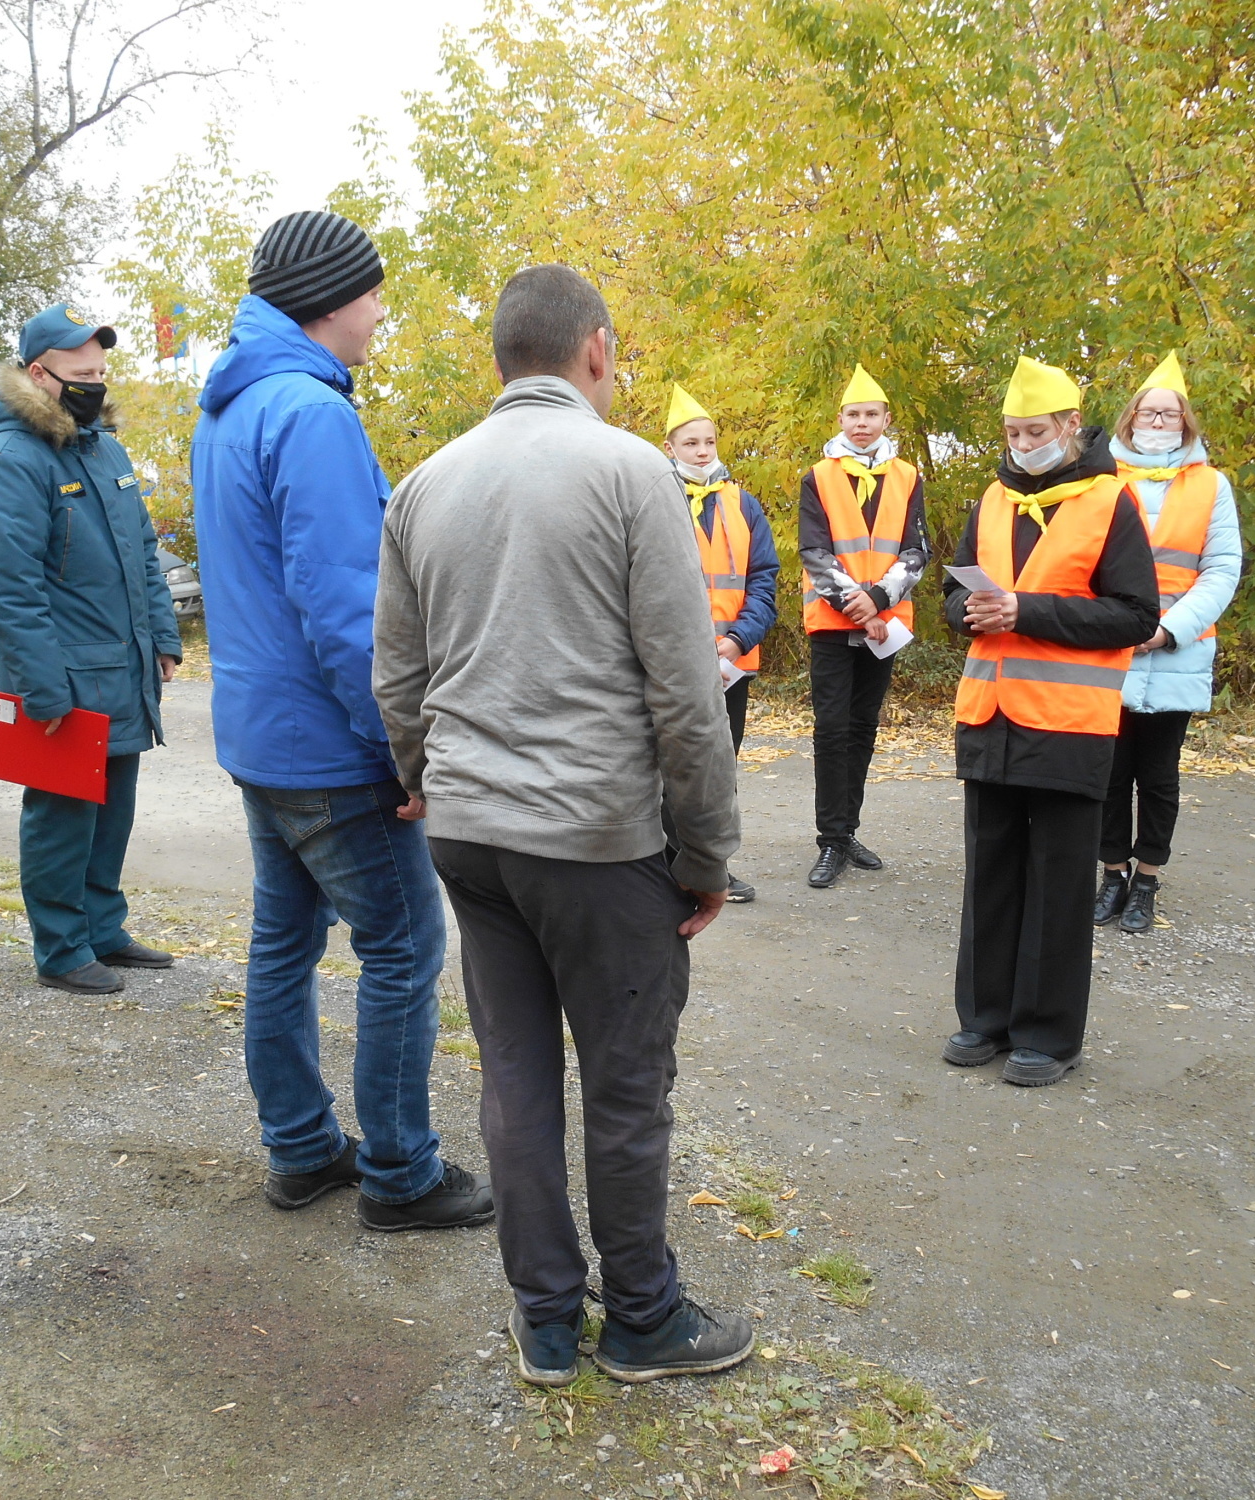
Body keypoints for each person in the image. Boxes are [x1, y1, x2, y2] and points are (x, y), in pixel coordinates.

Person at [374, 264, 750, 1389]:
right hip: (594, 839)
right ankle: (641, 1319)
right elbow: (687, 694)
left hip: (472, 836)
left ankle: (545, 1321)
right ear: (594, 347)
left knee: (515, 1077)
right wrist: (704, 856)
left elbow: (397, 676)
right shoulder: (632, 472)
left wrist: (427, 782)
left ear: (502, 356)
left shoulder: (423, 485)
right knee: (625, 1087)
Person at [190, 210, 491, 1234]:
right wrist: (400, 750)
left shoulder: (228, 407)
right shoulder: (309, 414)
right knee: (403, 946)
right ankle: (401, 1175)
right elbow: (345, 609)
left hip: (260, 741)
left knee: (283, 940)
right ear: (327, 299)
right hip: (329, 747)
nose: (378, 312)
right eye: (369, 293)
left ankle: (301, 1148)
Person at [943, 356, 1159, 1086]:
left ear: (1071, 425)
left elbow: (1135, 615)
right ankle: (984, 1018)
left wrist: (1025, 610)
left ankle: (1048, 1035)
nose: (1020, 443)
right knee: (991, 877)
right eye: (1010, 432)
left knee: (1060, 883)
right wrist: (966, 609)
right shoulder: (992, 498)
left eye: (1033, 430)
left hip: (1069, 723)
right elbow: (954, 592)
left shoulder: (1110, 503)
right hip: (990, 717)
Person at [0, 304, 182, 996]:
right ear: (39, 373)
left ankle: (102, 927)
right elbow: (10, 588)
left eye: (102, 372)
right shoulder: (9, 463)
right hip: (63, 676)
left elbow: (142, 556)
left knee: (114, 805)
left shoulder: (106, 451)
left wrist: (164, 635)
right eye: (80, 373)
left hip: (121, 667)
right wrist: (42, 686)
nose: (95, 383)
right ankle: (61, 948)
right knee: (62, 811)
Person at [1094, 353, 1242, 933]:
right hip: (1112, 649)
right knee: (1108, 771)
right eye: (1148, 413)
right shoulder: (1103, 479)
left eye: (1169, 415)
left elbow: (1222, 567)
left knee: (1158, 777)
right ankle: (1111, 875)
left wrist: (1168, 628)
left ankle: (1147, 881)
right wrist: (1117, 625)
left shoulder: (1212, 485)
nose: (1158, 423)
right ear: (1129, 421)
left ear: (1186, 424)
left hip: (1177, 651)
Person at [799, 364, 929, 889]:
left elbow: (916, 550)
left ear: (885, 419)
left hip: (885, 623)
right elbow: (814, 550)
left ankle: (848, 829)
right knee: (832, 730)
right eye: (853, 414)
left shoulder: (908, 476)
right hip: (833, 623)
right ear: (841, 419)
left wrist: (878, 601)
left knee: (863, 728)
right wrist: (858, 605)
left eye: (870, 414)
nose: (861, 423)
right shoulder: (818, 476)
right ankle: (829, 839)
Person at [661, 383, 779, 902]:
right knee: (666, 764)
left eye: (709, 442)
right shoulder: (655, 499)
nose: (703, 452)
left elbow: (763, 581)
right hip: (671, 662)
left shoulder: (744, 504)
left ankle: (712, 868)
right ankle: (664, 864)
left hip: (731, 661)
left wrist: (736, 640)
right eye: (691, 444)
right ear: (670, 448)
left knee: (719, 767)